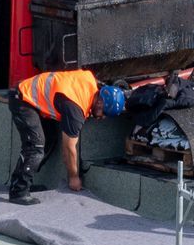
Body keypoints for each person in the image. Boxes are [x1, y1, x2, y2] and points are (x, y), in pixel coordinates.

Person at [9, 69, 126, 205]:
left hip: (32, 96)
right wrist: (73, 177)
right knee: (35, 146)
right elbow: (69, 149)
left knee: (49, 139)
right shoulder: (76, 110)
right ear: (99, 103)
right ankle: (18, 192)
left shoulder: (90, 80)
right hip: (22, 98)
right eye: (104, 113)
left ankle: (26, 183)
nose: (102, 118)